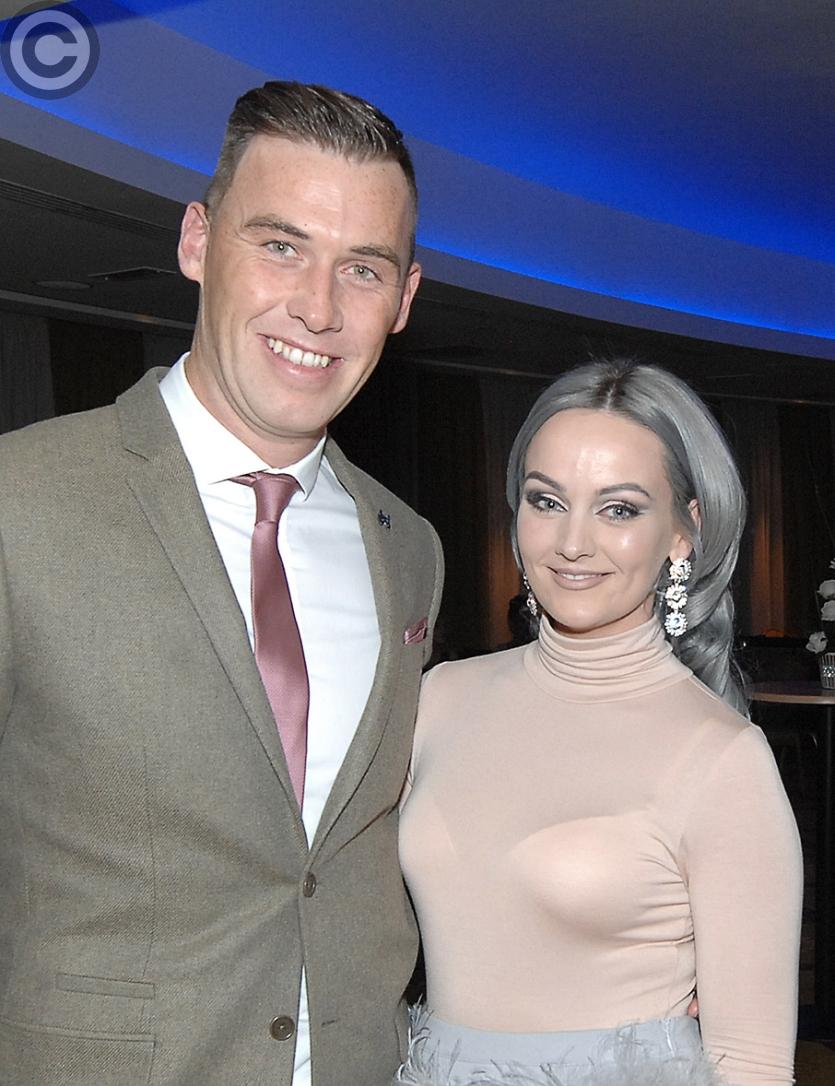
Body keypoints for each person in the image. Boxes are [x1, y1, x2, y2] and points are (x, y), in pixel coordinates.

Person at [0, 82, 443, 1085]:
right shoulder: (20, 502)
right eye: (281, 245)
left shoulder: (409, 549)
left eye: (362, 268)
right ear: (198, 241)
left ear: (404, 300)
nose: (318, 308)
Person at [399, 359, 802, 1085]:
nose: (572, 543)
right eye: (547, 501)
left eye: (619, 509)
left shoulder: (723, 758)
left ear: (683, 532)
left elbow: (752, 1063)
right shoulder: (441, 696)